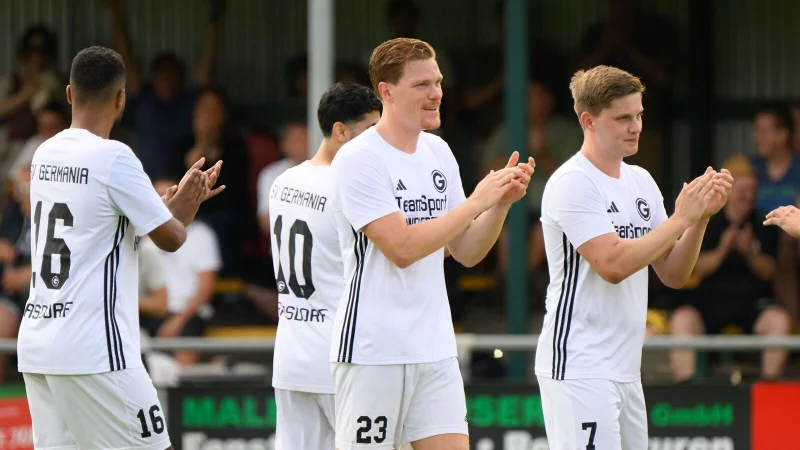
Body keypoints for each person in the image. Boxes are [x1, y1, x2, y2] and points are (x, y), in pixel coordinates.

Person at [329, 37, 534, 450]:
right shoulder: (359, 158)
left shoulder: (439, 151)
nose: (437, 93)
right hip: (374, 351)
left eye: (438, 82)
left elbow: (468, 251)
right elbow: (402, 249)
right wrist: (478, 200)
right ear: (386, 92)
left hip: (435, 348)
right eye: (422, 84)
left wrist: (499, 207)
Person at [16, 46, 223, 450]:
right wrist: (187, 206)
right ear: (121, 98)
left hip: (39, 343)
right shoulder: (114, 157)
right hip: (95, 349)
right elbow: (172, 238)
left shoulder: (44, 154)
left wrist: (160, 209)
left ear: (70, 95)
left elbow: (98, 227)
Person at [533, 65, 732, 450]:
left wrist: (699, 221)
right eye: (623, 118)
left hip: (626, 369)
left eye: (639, 115)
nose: (636, 126)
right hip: (579, 366)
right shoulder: (572, 182)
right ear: (588, 121)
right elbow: (613, 265)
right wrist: (681, 219)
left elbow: (674, 273)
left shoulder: (640, 180)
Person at [269, 82, 381, 450]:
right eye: (370, 131)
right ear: (339, 131)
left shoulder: (282, 182)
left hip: (290, 358)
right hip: (339, 359)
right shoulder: (347, 186)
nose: (377, 143)